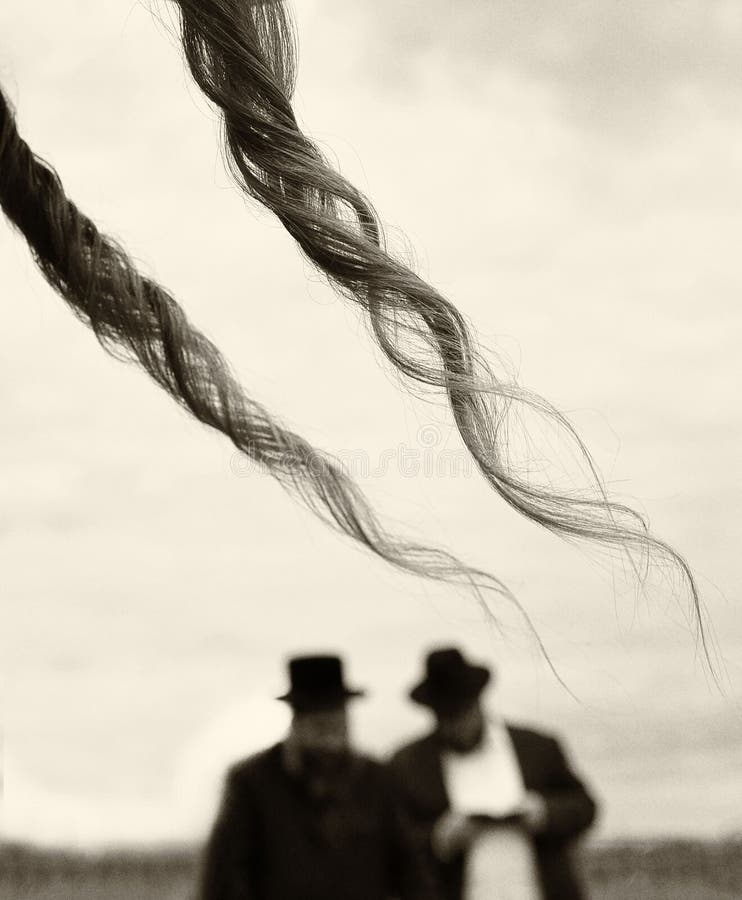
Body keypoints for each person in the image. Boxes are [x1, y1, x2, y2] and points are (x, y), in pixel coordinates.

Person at [198, 654, 438, 900]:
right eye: (321, 728)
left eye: (339, 726)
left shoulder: (378, 780)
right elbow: (223, 882)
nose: (332, 742)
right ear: (297, 723)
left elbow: (413, 874)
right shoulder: (250, 784)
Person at [388, 647, 598, 900]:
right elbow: (391, 845)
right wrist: (438, 838)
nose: (455, 724)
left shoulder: (536, 748)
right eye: (445, 715)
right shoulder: (408, 764)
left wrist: (543, 812)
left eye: (461, 711)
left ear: (478, 701)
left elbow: (585, 807)